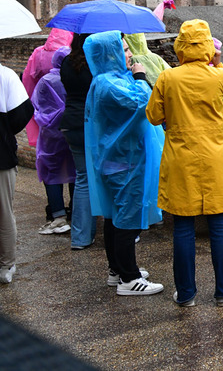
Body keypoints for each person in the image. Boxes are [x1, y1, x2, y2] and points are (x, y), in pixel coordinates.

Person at [146, 19, 223, 307]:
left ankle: (186, 293)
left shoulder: (167, 78)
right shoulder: (219, 75)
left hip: (181, 159)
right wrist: (220, 65)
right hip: (216, 160)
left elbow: (153, 116)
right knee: (219, 226)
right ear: (207, 46)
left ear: (180, 48)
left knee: (184, 228)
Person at [84, 31, 164, 296]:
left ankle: (117, 269)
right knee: (127, 220)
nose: (130, 54)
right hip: (124, 162)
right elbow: (144, 104)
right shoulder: (109, 84)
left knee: (114, 218)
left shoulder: (106, 80)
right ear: (112, 54)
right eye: (125, 50)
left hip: (117, 160)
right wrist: (141, 77)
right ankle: (129, 279)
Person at [22, 28, 73, 221]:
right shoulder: (72, 71)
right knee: (75, 168)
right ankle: (75, 210)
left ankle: (57, 213)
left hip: (49, 129)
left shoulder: (40, 63)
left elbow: (33, 96)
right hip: (70, 125)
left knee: (51, 169)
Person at [31, 46, 75, 236]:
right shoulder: (75, 78)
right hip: (72, 131)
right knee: (76, 171)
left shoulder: (46, 81)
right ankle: (76, 211)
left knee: (51, 173)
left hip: (50, 135)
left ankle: (58, 217)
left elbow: (37, 104)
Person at [59, 34, 96, 250]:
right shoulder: (95, 64)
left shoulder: (66, 62)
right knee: (105, 175)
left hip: (70, 121)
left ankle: (80, 237)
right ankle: (121, 232)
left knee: (82, 179)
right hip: (90, 122)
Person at [0, 57, 34, 283]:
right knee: (3, 212)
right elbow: (23, 112)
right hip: (1, 155)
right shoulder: (6, 75)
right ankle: (5, 265)